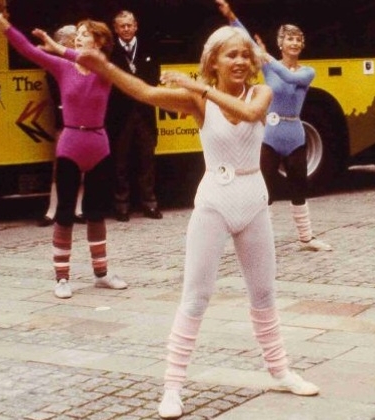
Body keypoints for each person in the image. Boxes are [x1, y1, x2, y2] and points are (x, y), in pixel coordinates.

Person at [75, 24, 320, 419]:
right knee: (196, 297)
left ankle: (280, 370)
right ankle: (172, 387)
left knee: (264, 295)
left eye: (245, 55)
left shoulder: (261, 92)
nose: (240, 62)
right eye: (231, 55)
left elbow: (249, 114)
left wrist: (197, 86)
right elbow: (146, 93)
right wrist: (104, 66)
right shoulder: (198, 101)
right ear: (214, 62)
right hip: (214, 202)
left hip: (254, 199)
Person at [0, 0, 128, 299]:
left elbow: (92, 61)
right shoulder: (62, 67)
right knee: (64, 213)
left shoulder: (106, 70)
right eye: (78, 33)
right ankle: (62, 278)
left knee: (96, 213)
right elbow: (26, 49)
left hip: (99, 144)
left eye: (85, 33)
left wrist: (59, 48)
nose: (79, 36)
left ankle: (101, 273)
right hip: (71, 144)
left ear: (99, 40)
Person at [216, 0, 331, 252]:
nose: (294, 43)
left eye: (298, 39)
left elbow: (289, 77)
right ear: (281, 43)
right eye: (290, 39)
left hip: (295, 135)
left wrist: (265, 54)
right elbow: (246, 40)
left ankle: (306, 237)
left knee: (299, 186)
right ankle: (258, 239)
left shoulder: (307, 72)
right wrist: (231, 16)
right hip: (270, 134)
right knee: (262, 189)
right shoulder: (268, 67)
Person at [107, 10, 162, 222]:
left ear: (136, 26)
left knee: (146, 161)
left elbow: (153, 78)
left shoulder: (149, 48)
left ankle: (150, 203)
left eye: (129, 25)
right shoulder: (110, 52)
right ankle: (122, 205)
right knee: (120, 162)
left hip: (145, 114)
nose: (126, 29)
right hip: (120, 115)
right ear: (116, 29)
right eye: (122, 26)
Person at [38, 24, 85, 227]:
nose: (77, 43)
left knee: (82, 167)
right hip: (65, 122)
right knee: (60, 166)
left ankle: (79, 209)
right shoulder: (55, 67)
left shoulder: (84, 64)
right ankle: (52, 210)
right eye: (74, 40)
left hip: (85, 121)